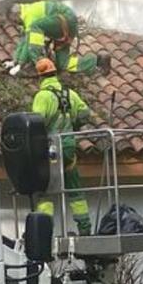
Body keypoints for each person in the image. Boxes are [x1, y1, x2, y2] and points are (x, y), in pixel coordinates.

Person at [31, 58, 93, 236]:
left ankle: (44, 231)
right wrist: (74, 124)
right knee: (74, 188)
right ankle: (85, 228)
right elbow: (84, 113)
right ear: (55, 74)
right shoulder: (70, 94)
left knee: (46, 191)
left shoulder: (42, 96)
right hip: (68, 148)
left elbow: (37, 122)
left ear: (40, 77)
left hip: (50, 149)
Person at [7, 0, 110, 76]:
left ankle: (39, 61)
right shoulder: (30, 15)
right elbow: (24, 41)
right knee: (63, 64)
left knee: (34, 27)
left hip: (64, 18)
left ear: (17, 14)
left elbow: (28, 41)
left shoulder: (29, 14)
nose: (17, 24)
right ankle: (98, 61)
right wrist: (14, 61)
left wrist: (20, 65)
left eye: (15, 21)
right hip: (67, 28)